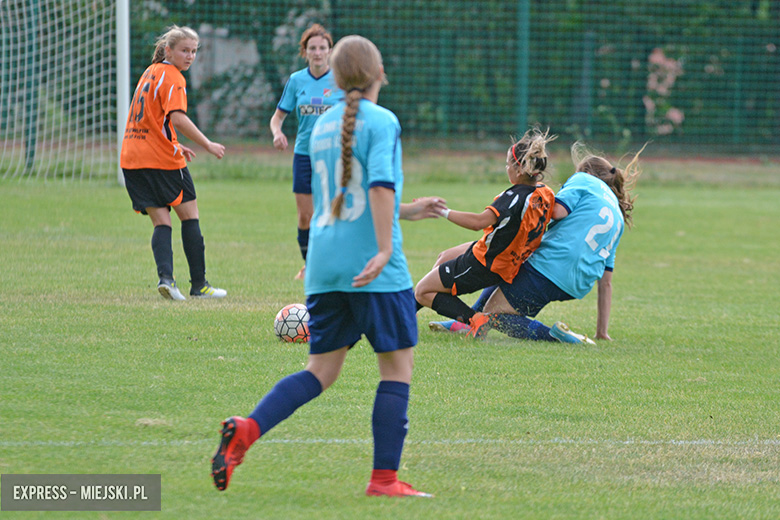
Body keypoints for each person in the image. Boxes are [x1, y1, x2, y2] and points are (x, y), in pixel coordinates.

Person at [212, 35, 441, 498]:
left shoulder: (318, 129)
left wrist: (408, 210)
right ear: (380, 75)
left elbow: (347, 195)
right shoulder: (383, 121)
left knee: (321, 370)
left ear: (334, 78)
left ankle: (247, 429)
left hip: (324, 264)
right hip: (373, 267)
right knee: (396, 369)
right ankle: (384, 481)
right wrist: (381, 249)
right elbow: (376, 188)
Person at [429, 142, 645, 343]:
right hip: (576, 284)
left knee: (494, 315)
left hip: (551, 266)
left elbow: (558, 211)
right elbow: (606, 282)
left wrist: (528, 201)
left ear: (586, 172)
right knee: (509, 265)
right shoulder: (616, 213)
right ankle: (465, 325)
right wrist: (602, 332)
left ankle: (556, 337)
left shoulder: (584, 179)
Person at [121, 25, 226, 301]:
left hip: (132, 158)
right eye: (184, 50)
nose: (190, 56)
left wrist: (175, 142)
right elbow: (177, 118)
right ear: (168, 50)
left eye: (193, 51)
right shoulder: (173, 77)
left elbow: (150, 119)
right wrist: (208, 144)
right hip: (161, 160)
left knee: (161, 222)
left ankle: (167, 280)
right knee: (190, 216)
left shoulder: (149, 72)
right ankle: (200, 286)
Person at [414, 129, 556, 334]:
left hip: (485, 262)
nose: (506, 167)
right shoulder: (545, 192)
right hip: (504, 258)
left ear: (519, 170)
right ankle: (406, 316)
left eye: (508, 164)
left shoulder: (514, 197)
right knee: (444, 257)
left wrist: (443, 211)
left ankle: (474, 321)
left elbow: (478, 222)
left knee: (422, 291)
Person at [269, 23, 344, 280]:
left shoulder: (341, 79)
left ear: (330, 51)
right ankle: (310, 264)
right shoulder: (296, 80)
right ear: (305, 52)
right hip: (304, 154)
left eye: (323, 47)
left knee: (334, 211)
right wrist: (277, 133)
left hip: (334, 154)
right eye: (312, 48)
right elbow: (277, 118)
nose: (318, 52)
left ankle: (330, 264)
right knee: (305, 216)